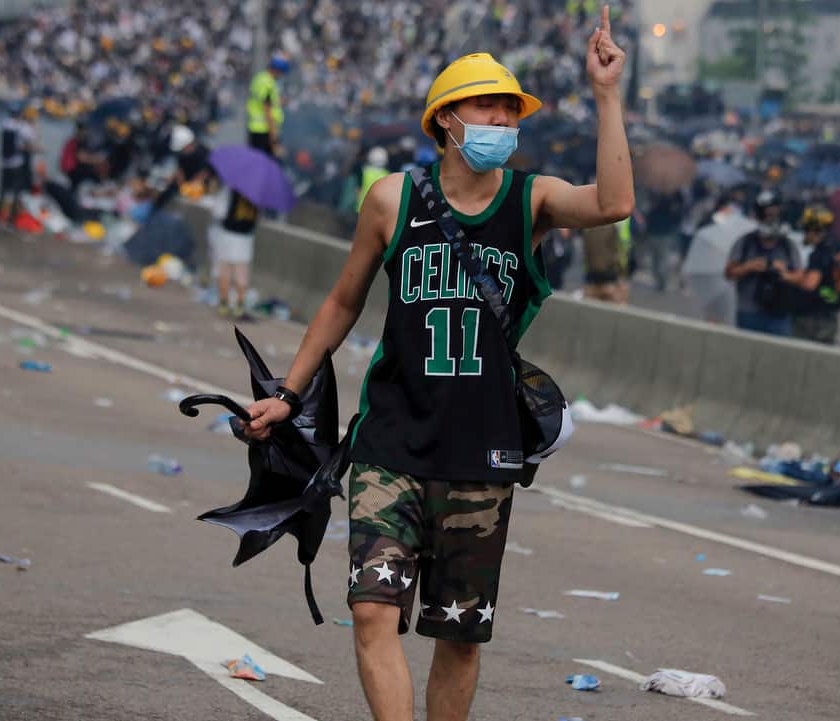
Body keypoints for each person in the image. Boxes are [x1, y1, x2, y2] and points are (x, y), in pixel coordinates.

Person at [242, 11, 631, 721]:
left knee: (458, 637)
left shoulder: (531, 200)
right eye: (489, 105)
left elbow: (615, 202)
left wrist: (607, 94)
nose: (504, 120)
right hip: (391, 444)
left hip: (481, 456)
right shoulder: (392, 199)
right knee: (371, 611)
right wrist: (288, 391)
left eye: (512, 110)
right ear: (446, 118)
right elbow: (340, 301)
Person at [724, 190, 799, 336]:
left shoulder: (788, 246)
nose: (771, 219)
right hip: (748, 312)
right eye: (767, 215)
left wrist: (783, 273)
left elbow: (800, 277)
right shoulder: (745, 242)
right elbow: (729, 273)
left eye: (775, 214)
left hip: (779, 314)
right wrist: (749, 266)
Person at [682, 195, 754, 324]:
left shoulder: (740, 229)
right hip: (714, 276)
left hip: (726, 279)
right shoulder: (710, 226)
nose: (732, 212)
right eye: (729, 209)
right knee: (714, 312)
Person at [781, 205, 840, 344]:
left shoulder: (818, 254)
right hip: (829, 314)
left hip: (812, 319)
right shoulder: (835, 249)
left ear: (814, 229)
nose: (805, 234)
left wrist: (786, 276)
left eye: (806, 229)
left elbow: (810, 284)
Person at [209, 183, 260, 319]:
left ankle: (224, 303)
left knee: (225, 269)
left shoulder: (232, 188)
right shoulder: (258, 192)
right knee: (241, 271)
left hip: (228, 233)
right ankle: (239, 304)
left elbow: (219, 211)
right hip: (246, 237)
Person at [0, 102, 37, 227]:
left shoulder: (4, 124)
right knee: (16, 192)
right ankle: (12, 220)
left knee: (2, 191)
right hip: (16, 164)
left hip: (4, 163)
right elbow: (31, 141)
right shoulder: (22, 127)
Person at [247, 54, 289, 157]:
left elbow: (263, 102)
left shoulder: (260, 78)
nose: (281, 75)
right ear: (277, 70)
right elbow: (267, 110)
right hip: (264, 130)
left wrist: (278, 102)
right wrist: (274, 138)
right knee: (266, 164)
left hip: (256, 128)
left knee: (256, 162)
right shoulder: (268, 83)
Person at [356, 146, 390, 212]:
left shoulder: (364, 172)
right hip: (379, 209)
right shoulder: (387, 174)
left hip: (363, 207)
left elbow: (358, 190)